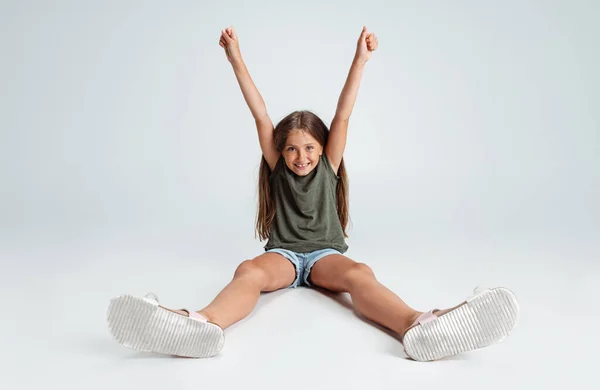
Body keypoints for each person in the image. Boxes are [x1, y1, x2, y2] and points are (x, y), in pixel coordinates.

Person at [107, 26, 519, 362]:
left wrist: (360, 59)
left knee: (359, 274)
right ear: (279, 152)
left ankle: (418, 323)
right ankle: (201, 322)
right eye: (291, 149)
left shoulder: (329, 166)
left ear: (323, 150)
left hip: (324, 257)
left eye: (308, 148)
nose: (300, 157)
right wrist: (235, 57)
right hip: (284, 256)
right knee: (249, 270)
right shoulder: (276, 168)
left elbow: (343, 112)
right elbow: (260, 113)